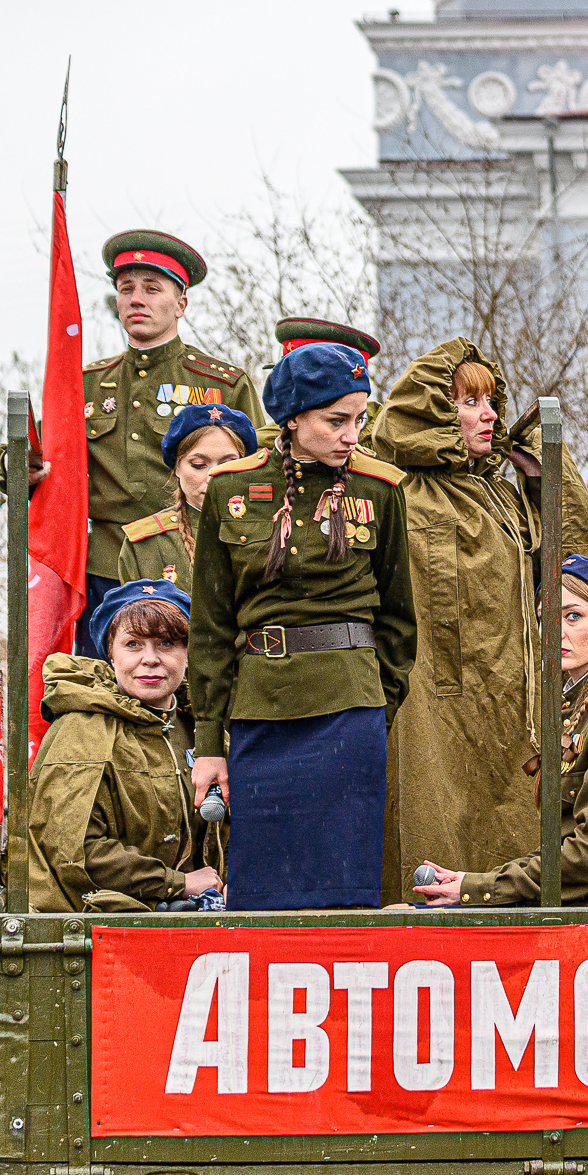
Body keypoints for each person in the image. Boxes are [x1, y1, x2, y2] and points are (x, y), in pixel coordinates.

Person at [364, 337, 588, 903]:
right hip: (428, 709)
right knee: (430, 837)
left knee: (509, 850)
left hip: (510, 708)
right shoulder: (399, 491)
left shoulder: (502, 492)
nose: (488, 415)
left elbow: (585, 566)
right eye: (468, 403)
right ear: (431, 412)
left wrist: (543, 475)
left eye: (491, 403)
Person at [186, 342, 415, 910]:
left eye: (359, 418)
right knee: (262, 893)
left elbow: (398, 620)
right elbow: (212, 627)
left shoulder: (380, 489)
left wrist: (374, 705)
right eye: (336, 420)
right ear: (291, 418)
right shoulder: (230, 489)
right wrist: (210, 744)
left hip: (350, 710)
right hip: (263, 712)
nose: (351, 434)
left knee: (344, 889)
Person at [0, 230, 269, 656]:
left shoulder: (221, 385)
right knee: (103, 693)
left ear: (181, 303)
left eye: (152, 289)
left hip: (192, 562)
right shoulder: (85, 385)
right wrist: (13, 465)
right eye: (126, 289)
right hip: (104, 571)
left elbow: (257, 477)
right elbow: (29, 456)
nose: (136, 299)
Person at [417, 557, 588, 907]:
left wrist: (478, 887)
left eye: (573, 616)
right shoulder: (574, 705)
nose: (557, 632)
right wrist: (472, 884)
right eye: (546, 619)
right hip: (575, 902)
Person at [25, 580, 225, 913]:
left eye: (166, 643)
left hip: (201, 925)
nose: (150, 659)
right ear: (110, 653)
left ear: (189, 654)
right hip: (101, 928)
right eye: (133, 644)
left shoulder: (205, 730)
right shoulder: (82, 729)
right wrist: (177, 884)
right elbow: (74, 850)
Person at [116, 404, 259, 590]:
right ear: (177, 468)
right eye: (199, 465)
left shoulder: (274, 529)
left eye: (228, 465)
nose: (213, 476)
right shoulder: (145, 545)